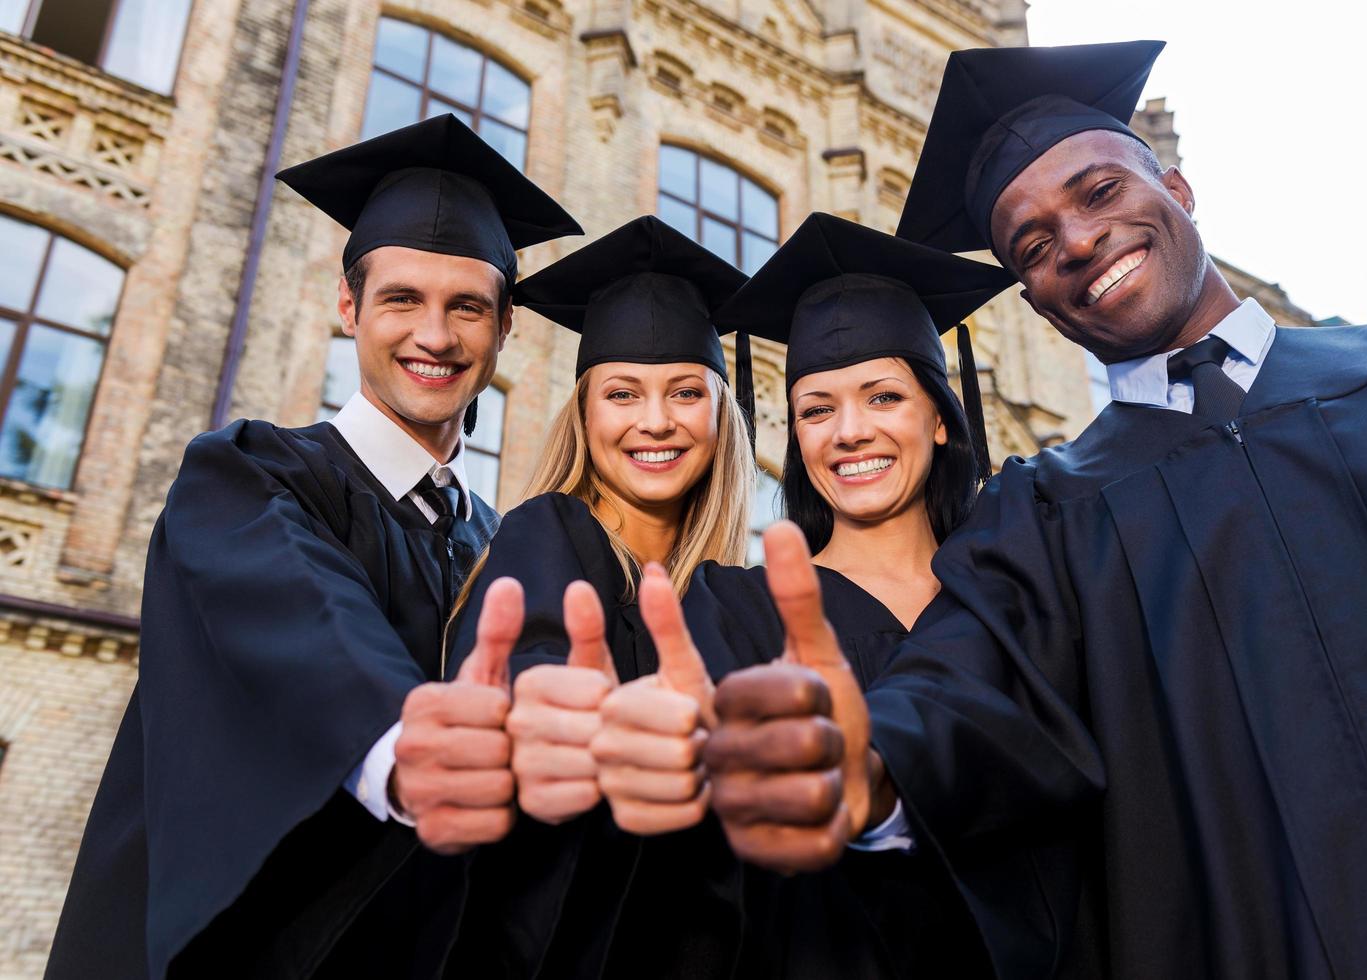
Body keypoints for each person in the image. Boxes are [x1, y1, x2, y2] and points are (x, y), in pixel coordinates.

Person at [709, 39, 1367, 979]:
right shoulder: (1047, 516)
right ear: (1033, 301)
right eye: (1031, 245)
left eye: (1099, 192)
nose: (1073, 240)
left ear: (1177, 191)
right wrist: (865, 764)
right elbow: (966, 691)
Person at [45, 114, 582, 979]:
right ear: (347, 305)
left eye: (467, 307)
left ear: (507, 326)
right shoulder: (249, 476)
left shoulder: (493, 543)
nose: (435, 336)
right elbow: (304, 615)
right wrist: (409, 745)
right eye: (401, 298)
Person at [667, 211, 1013, 977]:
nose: (847, 431)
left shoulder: (1016, 602)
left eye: (883, 397)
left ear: (942, 420)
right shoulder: (737, 612)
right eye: (816, 410)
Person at [443, 214, 757, 977]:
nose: (655, 421)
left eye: (686, 391)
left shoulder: (734, 594)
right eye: (622, 393)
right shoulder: (550, 534)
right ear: (585, 414)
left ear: (721, 417)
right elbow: (535, 660)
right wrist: (542, 720)